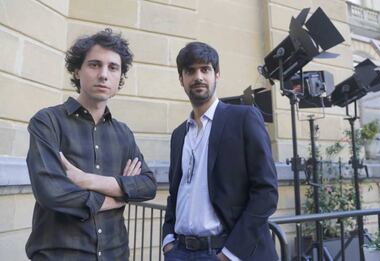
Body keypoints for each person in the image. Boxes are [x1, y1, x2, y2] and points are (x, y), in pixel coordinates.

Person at [25, 28, 157, 260]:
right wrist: (118, 196)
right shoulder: (47, 122)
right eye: (94, 65)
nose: (104, 74)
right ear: (77, 70)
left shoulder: (123, 133)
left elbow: (147, 185)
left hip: (115, 255)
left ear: (120, 77)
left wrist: (87, 180)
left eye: (113, 67)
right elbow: (52, 193)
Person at [162, 42, 279, 261]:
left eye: (205, 69)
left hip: (224, 252)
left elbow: (266, 192)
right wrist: (168, 238)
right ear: (181, 80)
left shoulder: (243, 118)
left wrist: (230, 253)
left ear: (217, 75)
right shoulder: (179, 135)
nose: (198, 77)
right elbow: (175, 193)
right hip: (179, 252)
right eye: (190, 71)